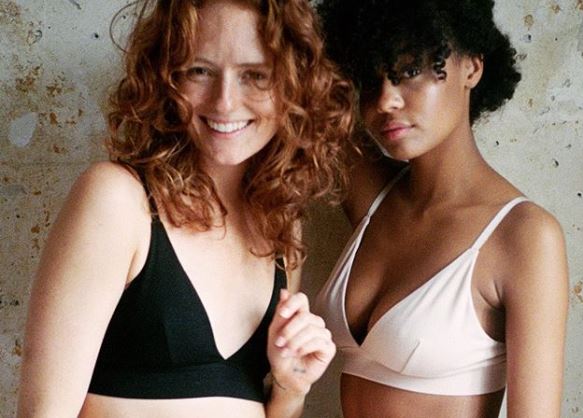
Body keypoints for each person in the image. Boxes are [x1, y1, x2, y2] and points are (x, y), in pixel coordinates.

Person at [17, 0, 354, 416]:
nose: (225, 102)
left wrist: (290, 388)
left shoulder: (280, 227)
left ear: (294, 86)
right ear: (165, 76)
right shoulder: (118, 200)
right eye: (200, 71)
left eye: (255, 75)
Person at [315, 1, 569, 417]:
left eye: (410, 70)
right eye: (370, 80)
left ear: (472, 66)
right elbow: (296, 72)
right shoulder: (372, 192)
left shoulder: (524, 235)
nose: (386, 100)